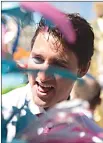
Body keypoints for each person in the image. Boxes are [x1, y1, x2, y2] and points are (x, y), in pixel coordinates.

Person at [2, 12, 96, 142]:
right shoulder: (4, 113)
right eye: (38, 59)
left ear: (83, 69)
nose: (43, 76)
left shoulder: (88, 136)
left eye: (58, 65)